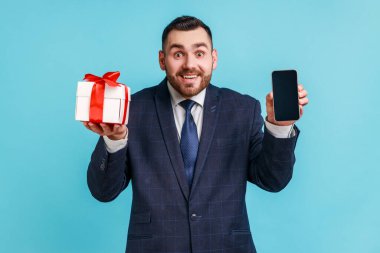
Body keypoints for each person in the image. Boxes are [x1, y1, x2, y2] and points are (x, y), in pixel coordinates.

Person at [83, 16, 309, 253]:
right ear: (162, 60)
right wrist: (114, 139)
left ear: (214, 59)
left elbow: (272, 180)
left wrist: (279, 126)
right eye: (178, 54)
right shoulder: (132, 109)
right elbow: (103, 192)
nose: (190, 64)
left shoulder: (242, 109)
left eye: (199, 53)